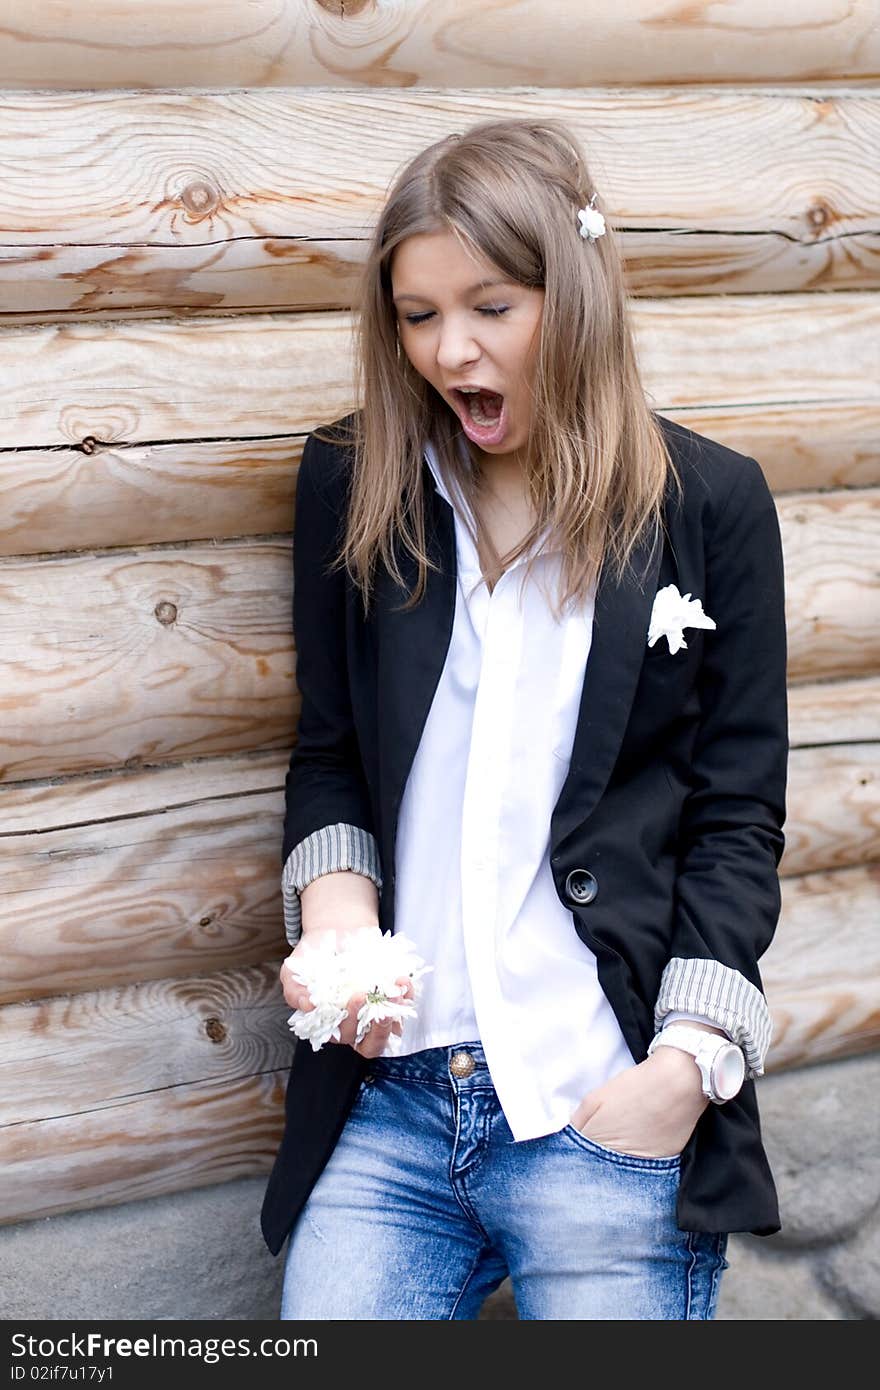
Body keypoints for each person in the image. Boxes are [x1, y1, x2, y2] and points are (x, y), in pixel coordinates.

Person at [260, 118, 788, 1320]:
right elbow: (332, 749)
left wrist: (680, 1073)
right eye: (416, 314)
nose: (450, 351)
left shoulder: (711, 504)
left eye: (492, 307)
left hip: (599, 1102)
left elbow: (736, 814)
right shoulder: (354, 481)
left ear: (578, 292)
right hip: (389, 1103)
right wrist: (338, 920)